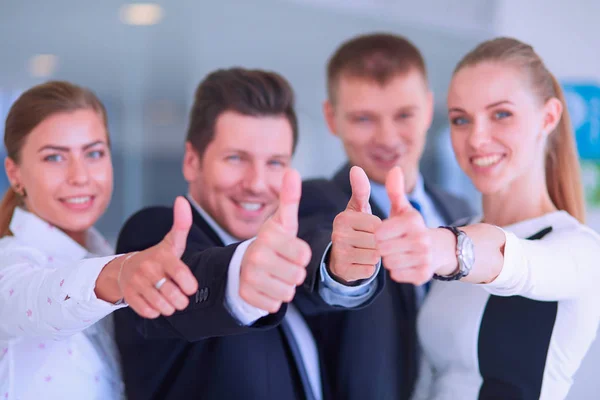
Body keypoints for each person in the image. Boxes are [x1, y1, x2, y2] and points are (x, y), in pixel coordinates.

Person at [114, 67, 383, 400]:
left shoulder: (287, 245)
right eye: (236, 158)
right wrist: (242, 276)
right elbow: (191, 286)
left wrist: (339, 265)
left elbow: (313, 264)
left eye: (275, 163)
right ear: (191, 161)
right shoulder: (152, 234)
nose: (256, 184)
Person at [379, 37, 600, 400]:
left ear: (548, 117)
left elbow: (517, 261)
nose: (477, 138)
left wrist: (449, 248)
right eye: (461, 119)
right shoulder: (450, 240)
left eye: (501, 114)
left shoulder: (580, 248)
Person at [298, 33, 474, 400]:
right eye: (364, 118)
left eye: (404, 115)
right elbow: (320, 265)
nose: (387, 137)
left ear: (428, 109)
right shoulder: (313, 204)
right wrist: (341, 270)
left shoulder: (460, 213)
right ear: (332, 118)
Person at [0, 81, 202, 400]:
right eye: (54, 157)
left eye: (94, 153)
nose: (80, 176)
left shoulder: (101, 253)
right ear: (15, 174)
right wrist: (120, 273)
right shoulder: (7, 263)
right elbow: (35, 298)